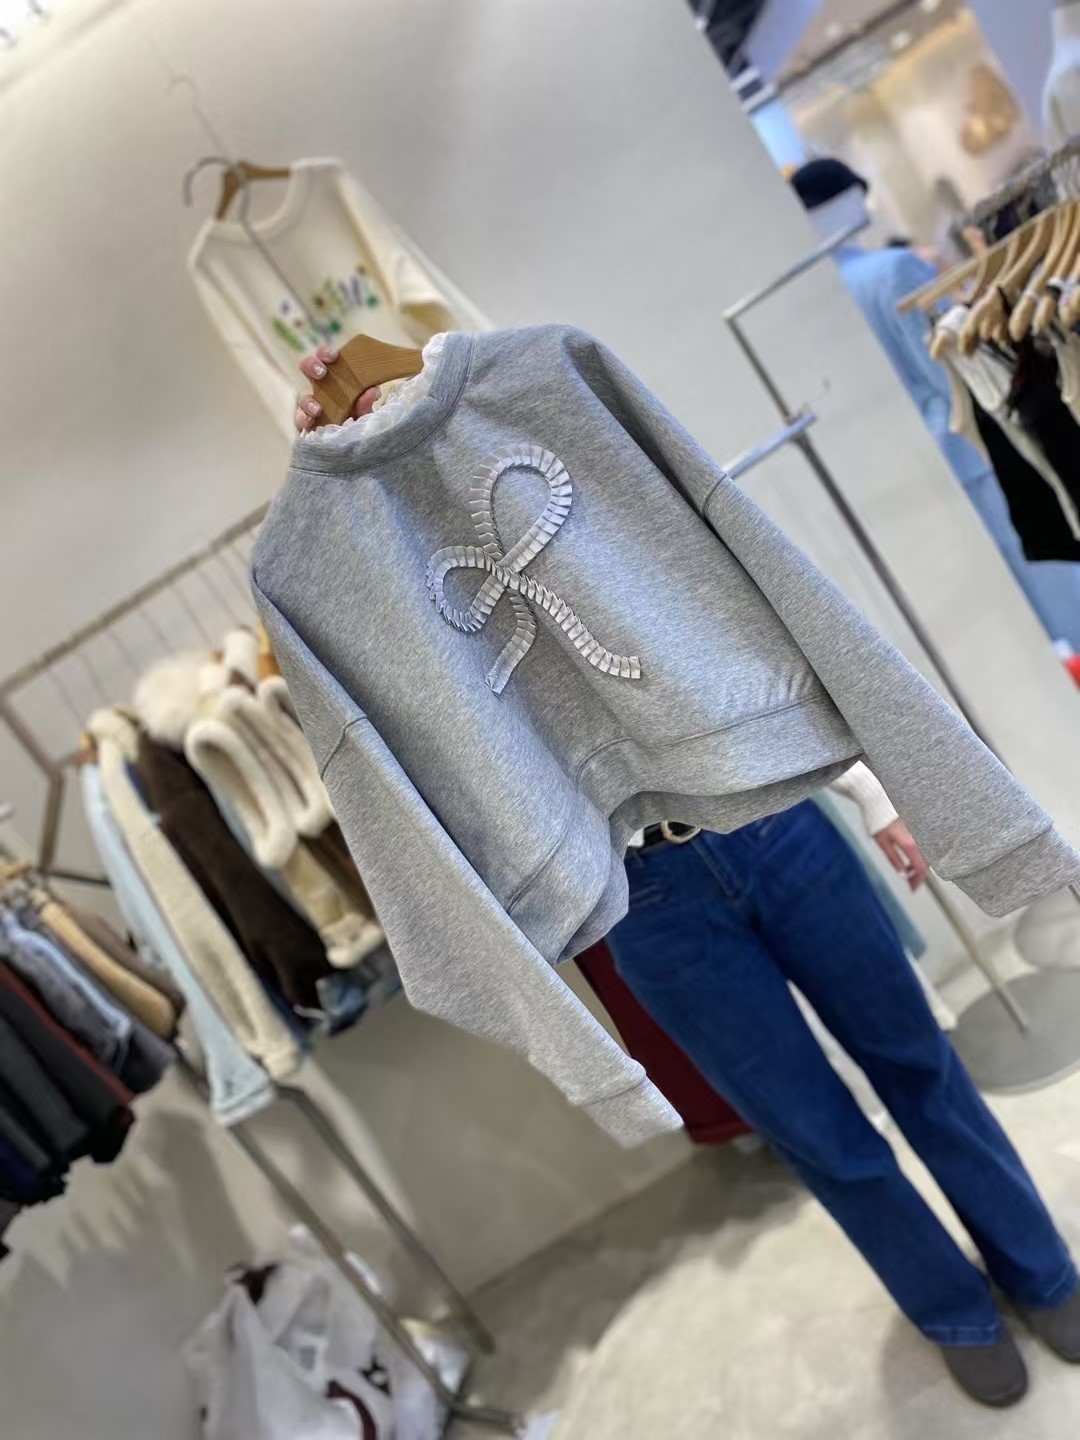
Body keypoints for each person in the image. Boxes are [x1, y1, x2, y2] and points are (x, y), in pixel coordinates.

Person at [292, 344, 1080, 1408]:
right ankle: (949, 1307)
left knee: (917, 1061)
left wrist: (868, 783)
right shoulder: (320, 557)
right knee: (814, 1130)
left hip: (770, 817)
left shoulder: (548, 377)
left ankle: (1042, 1268)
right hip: (636, 898)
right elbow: (395, 798)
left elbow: (725, 576)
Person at [790, 157, 1080, 654]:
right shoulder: (893, 269)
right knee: (1055, 580)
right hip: (974, 448)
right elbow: (955, 366)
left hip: (925, 466)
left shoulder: (822, 295)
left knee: (1026, 600)